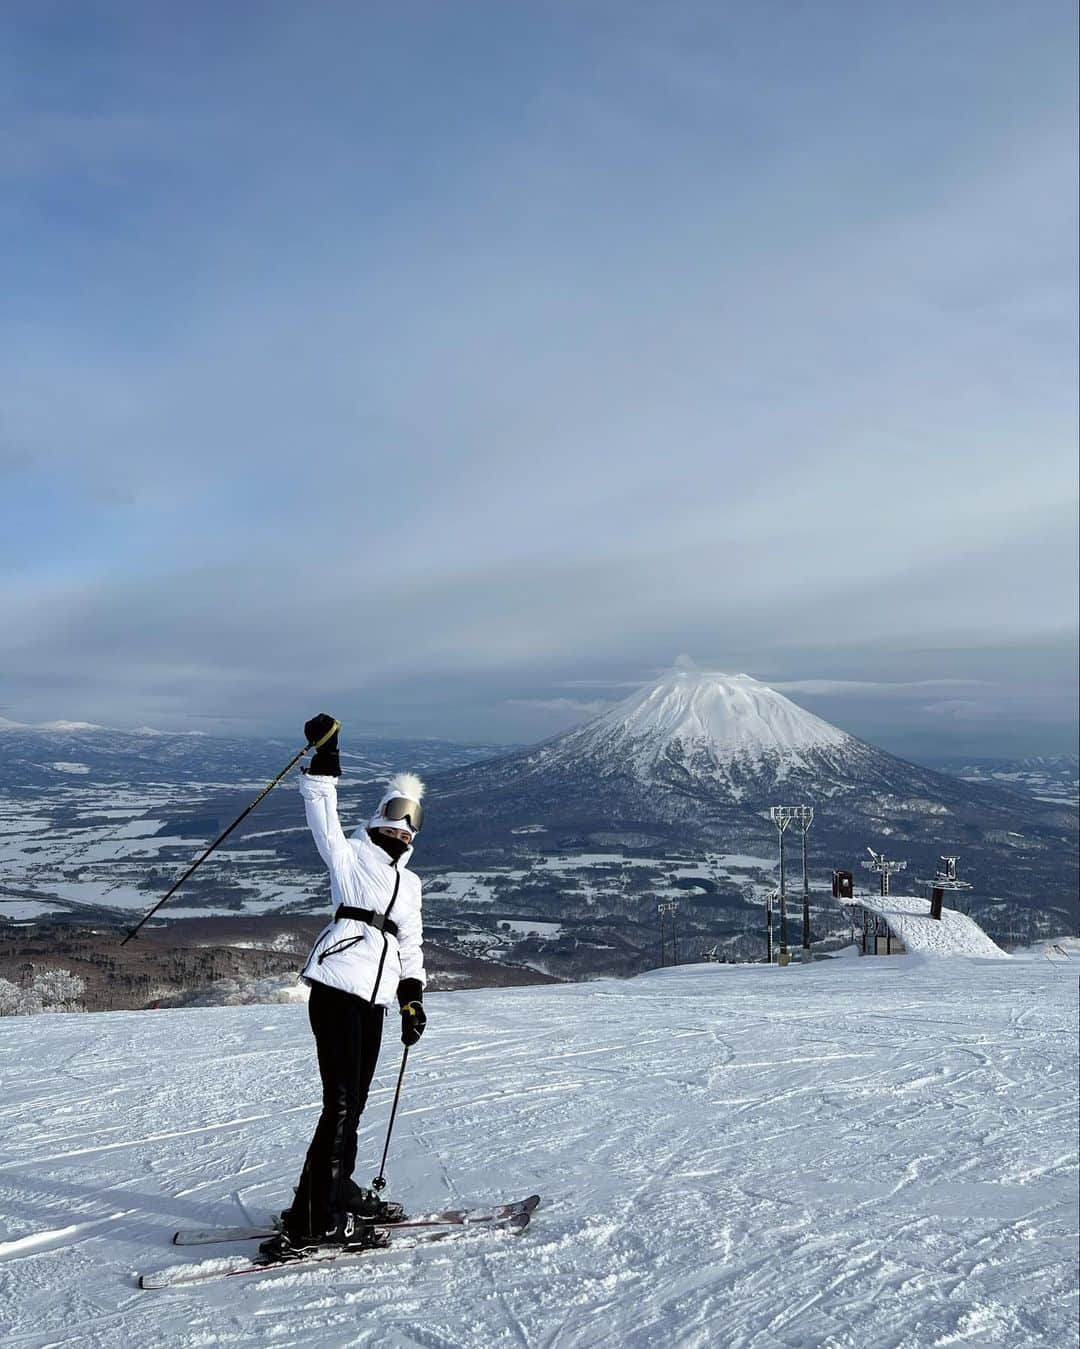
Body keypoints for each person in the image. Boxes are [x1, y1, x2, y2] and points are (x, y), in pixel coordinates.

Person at [267, 713, 428, 1258]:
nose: (401, 827)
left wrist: (412, 997)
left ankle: (331, 1191)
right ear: (379, 815)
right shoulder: (351, 855)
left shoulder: (411, 883)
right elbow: (322, 813)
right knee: (338, 1103)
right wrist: (326, 760)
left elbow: (411, 944)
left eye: (411, 821)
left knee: (352, 1103)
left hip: (377, 1000)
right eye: (394, 815)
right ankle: (316, 1219)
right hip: (337, 987)